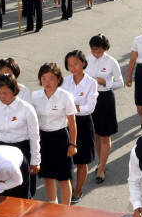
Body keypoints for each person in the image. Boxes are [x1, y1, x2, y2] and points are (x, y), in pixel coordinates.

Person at [0, 74, 40, 199]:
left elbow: (34, 136)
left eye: (5, 93)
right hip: (1, 151)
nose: (1, 96)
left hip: (22, 151)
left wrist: (35, 161)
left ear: (14, 91)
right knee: (0, 190)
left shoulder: (27, 109)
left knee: (21, 190)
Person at [32, 62, 77, 205]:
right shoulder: (35, 96)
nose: (47, 82)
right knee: (47, 176)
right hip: (43, 139)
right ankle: (52, 204)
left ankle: (66, 209)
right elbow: (33, 120)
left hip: (61, 139)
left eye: (51, 78)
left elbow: (72, 122)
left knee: (63, 178)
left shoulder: (66, 96)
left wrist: (73, 144)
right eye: (43, 78)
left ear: (58, 79)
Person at [62, 50, 98, 204]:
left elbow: (89, 107)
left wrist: (72, 107)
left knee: (82, 161)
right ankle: (68, 189)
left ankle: (78, 190)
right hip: (66, 123)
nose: (72, 67)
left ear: (83, 63)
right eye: (69, 65)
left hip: (83, 124)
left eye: (75, 63)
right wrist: (74, 107)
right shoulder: (64, 81)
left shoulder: (91, 82)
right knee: (67, 160)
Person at [85, 34, 123, 183]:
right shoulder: (86, 60)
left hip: (106, 99)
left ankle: (101, 169)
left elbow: (120, 82)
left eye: (99, 51)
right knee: (95, 135)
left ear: (105, 49)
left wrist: (104, 82)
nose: (96, 53)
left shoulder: (111, 62)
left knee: (105, 136)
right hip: (90, 99)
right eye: (94, 50)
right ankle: (102, 161)